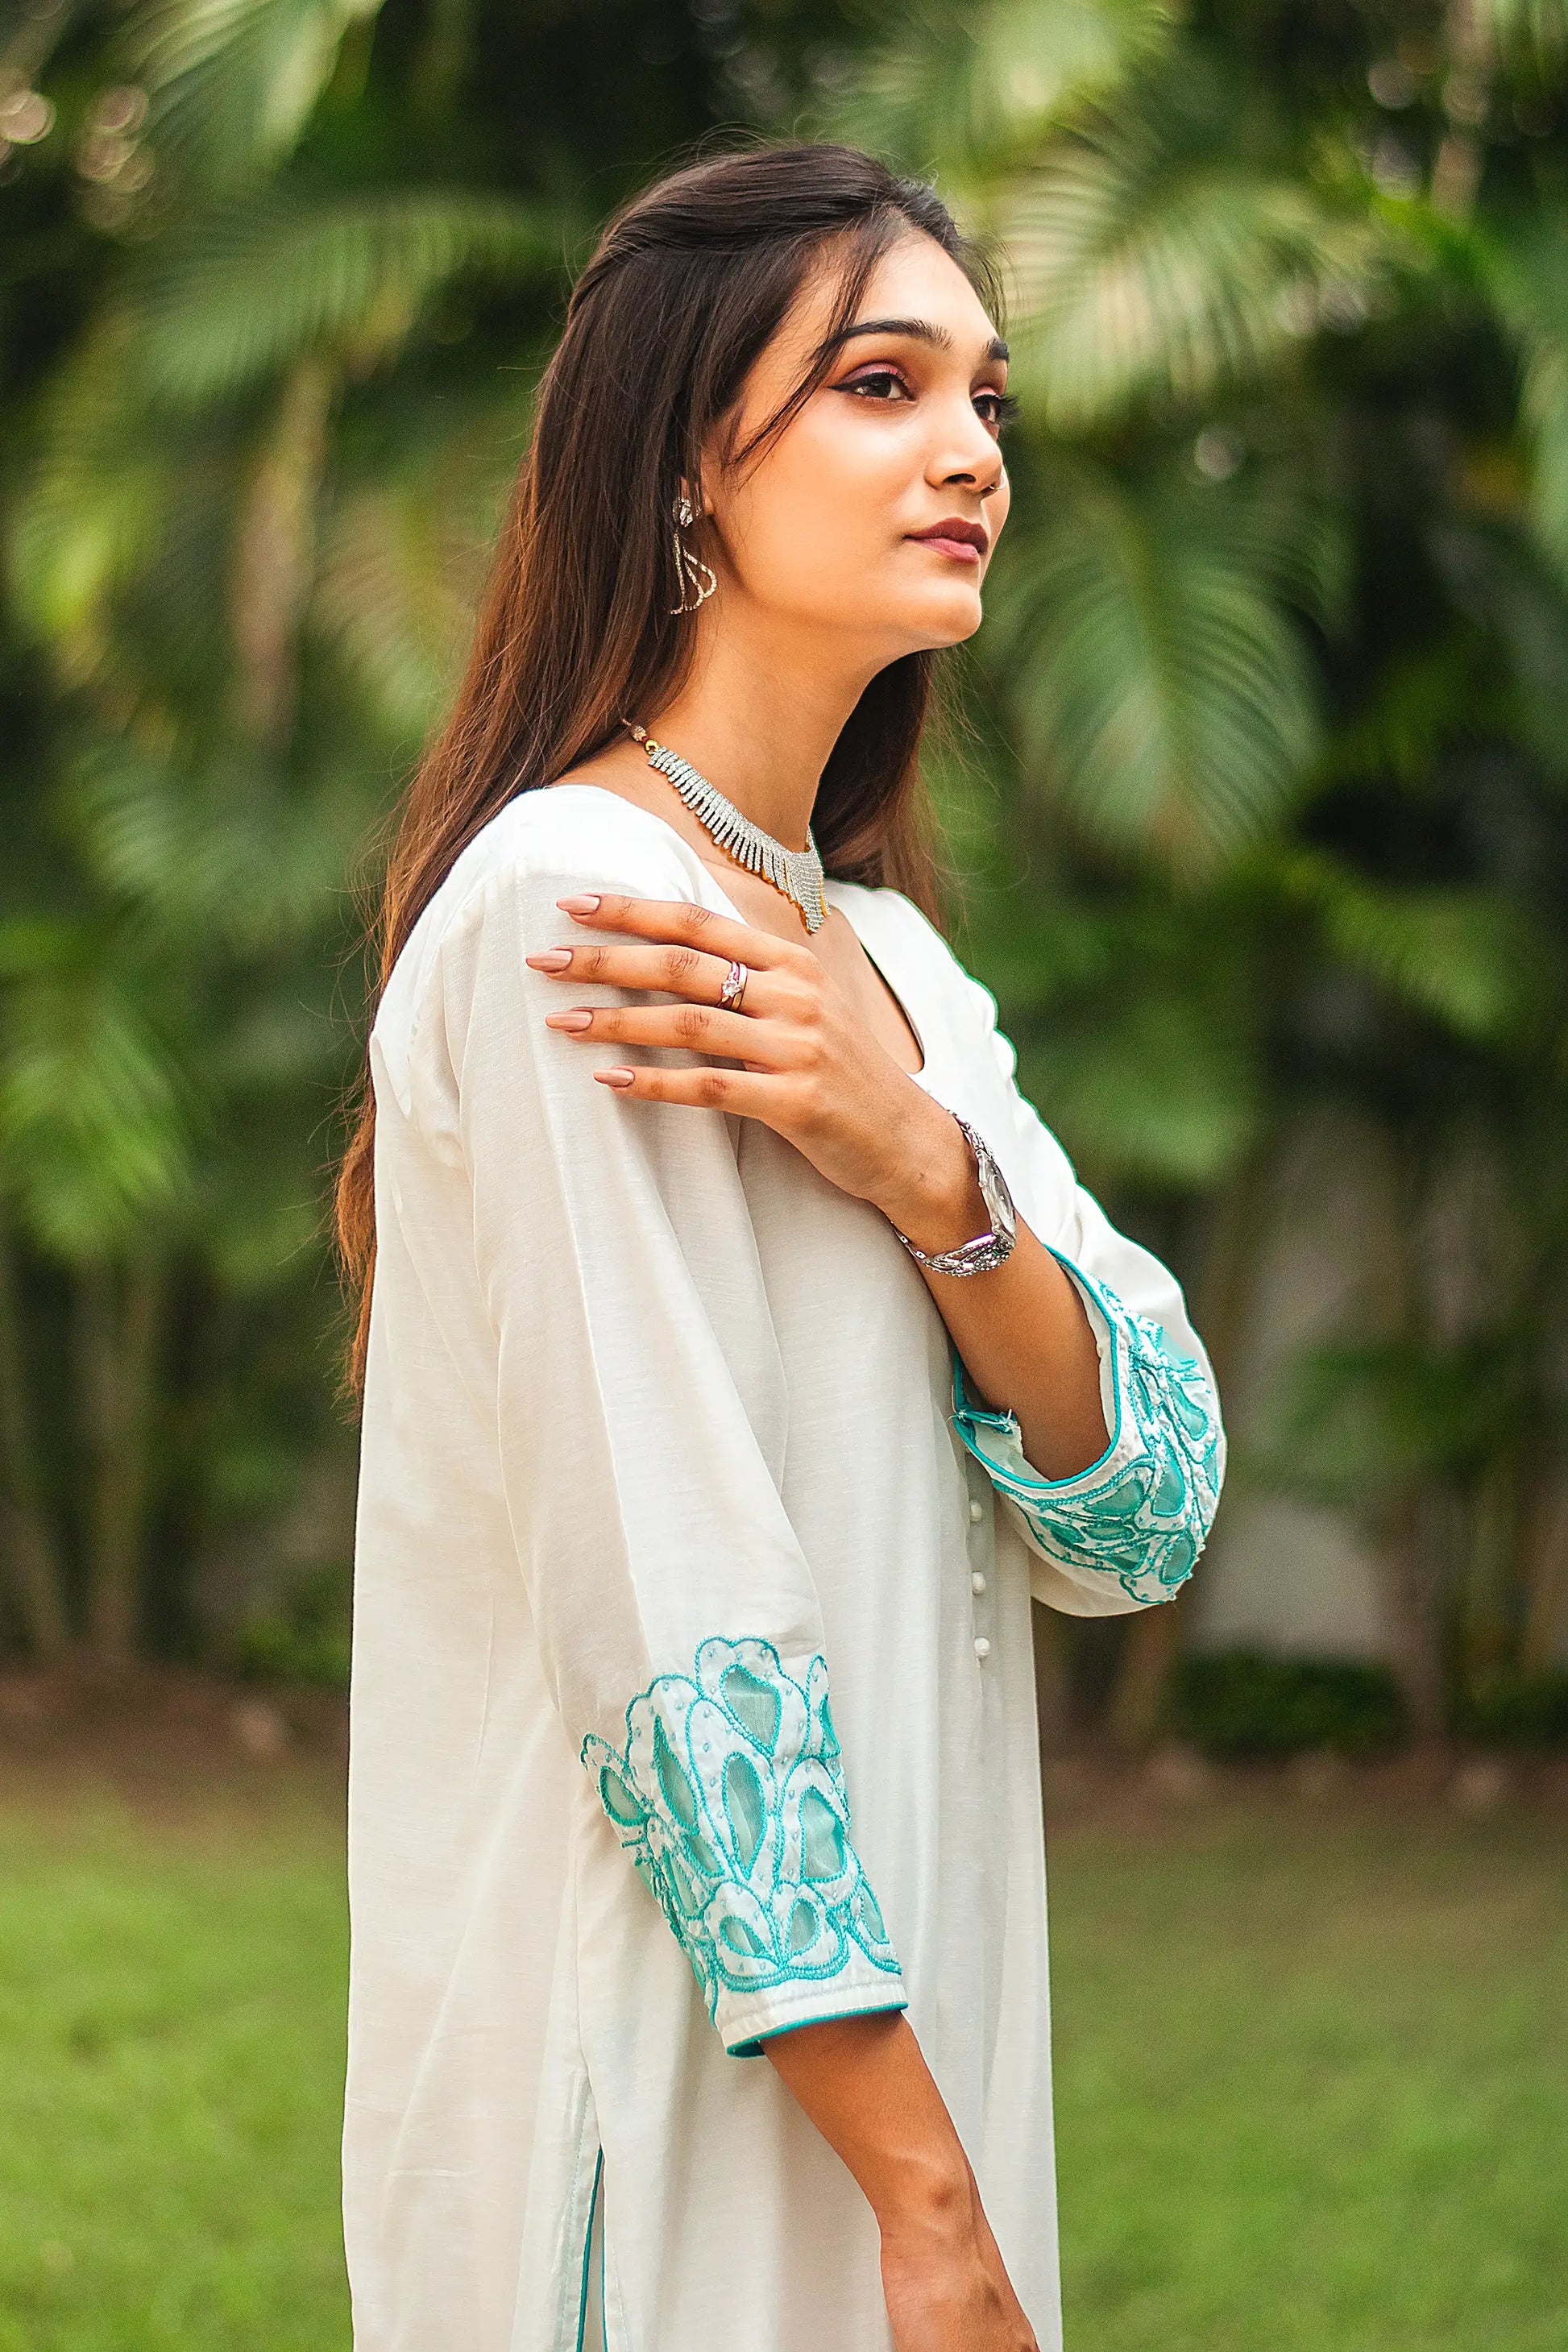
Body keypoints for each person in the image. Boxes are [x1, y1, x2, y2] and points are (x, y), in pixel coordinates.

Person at [334, 140, 1225, 2352]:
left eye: (985, 398)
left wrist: (921, 1163)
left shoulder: (889, 968)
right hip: (668, 2073)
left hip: (918, 2018)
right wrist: (919, 2208)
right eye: (878, 384)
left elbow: (1150, 1497)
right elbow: (672, 1611)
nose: (967, 454)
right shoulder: (571, 911)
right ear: (684, 469)